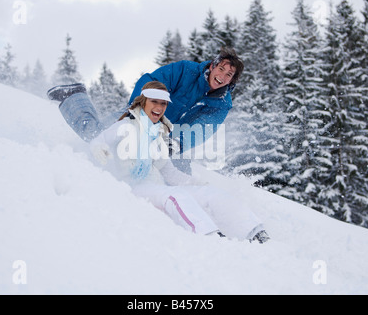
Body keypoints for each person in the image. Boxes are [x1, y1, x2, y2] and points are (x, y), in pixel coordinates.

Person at [87, 80, 270, 243]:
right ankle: (209, 236)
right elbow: (99, 141)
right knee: (175, 196)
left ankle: (254, 231)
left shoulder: (158, 134)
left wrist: (195, 183)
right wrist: (99, 149)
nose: (159, 107)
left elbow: (168, 171)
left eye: (164, 103)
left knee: (210, 193)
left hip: (155, 185)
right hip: (132, 187)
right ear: (143, 103)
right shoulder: (125, 126)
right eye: (155, 102)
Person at [47, 47, 244, 172]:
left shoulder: (221, 103)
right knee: (96, 135)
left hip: (167, 136)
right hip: (140, 116)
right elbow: (152, 81)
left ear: (232, 81)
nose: (222, 76)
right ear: (213, 65)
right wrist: (138, 111)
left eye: (229, 75)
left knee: (178, 173)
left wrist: (176, 144)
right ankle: (73, 96)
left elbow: (203, 128)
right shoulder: (186, 70)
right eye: (221, 69)